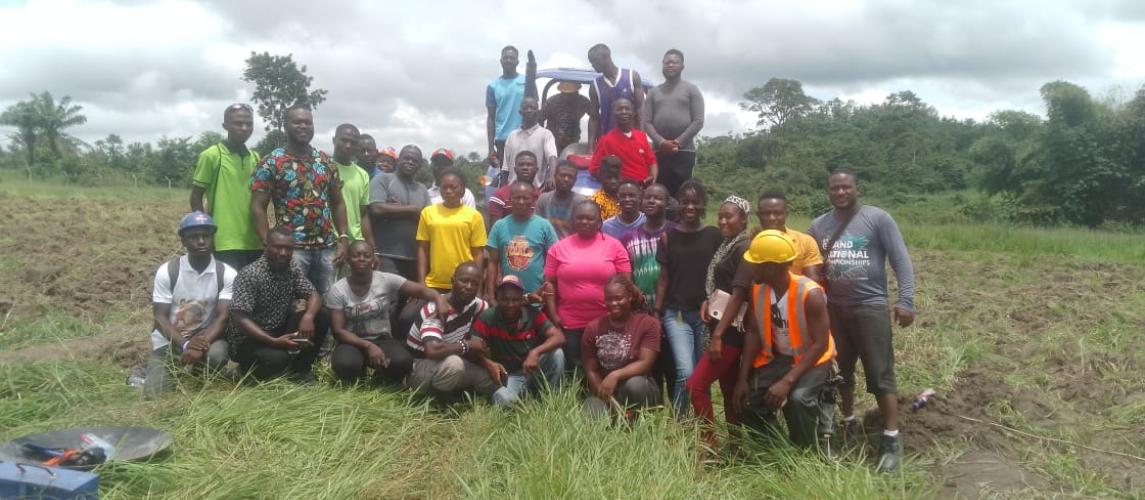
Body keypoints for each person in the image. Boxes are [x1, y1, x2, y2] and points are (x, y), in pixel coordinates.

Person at [807, 169, 915, 472]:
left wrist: (906, 300)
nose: (840, 192)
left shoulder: (877, 218)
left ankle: (891, 438)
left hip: (870, 306)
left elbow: (900, 259)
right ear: (828, 191)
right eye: (834, 188)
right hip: (834, 309)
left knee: (880, 372)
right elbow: (810, 264)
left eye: (846, 187)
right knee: (839, 372)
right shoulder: (819, 225)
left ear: (857, 189)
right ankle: (849, 421)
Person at [732, 230, 836, 450]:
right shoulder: (758, 289)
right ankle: (780, 450)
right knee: (749, 402)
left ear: (770, 267)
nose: (750, 268)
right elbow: (752, 331)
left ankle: (804, 452)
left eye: (755, 263)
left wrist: (787, 382)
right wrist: (742, 379)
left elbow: (820, 344)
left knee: (799, 400)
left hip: (814, 357)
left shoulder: (810, 293)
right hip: (781, 356)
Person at [250, 104, 350, 298]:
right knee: (291, 301)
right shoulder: (271, 163)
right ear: (285, 125)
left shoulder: (326, 162)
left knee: (329, 301)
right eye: (297, 122)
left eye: (308, 123)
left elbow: (338, 202)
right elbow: (258, 206)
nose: (303, 126)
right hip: (292, 249)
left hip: (327, 247)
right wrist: (267, 241)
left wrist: (344, 238)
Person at [144, 212, 237, 397]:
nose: (201, 241)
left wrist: (199, 345)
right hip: (170, 339)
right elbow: (159, 317)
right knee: (154, 395)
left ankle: (199, 373)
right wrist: (186, 345)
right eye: (194, 237)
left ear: (212, 238)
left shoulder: (226, 273)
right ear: (183, 241)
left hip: (206, 339)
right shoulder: (168, 271)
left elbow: (222, 317)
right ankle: (162, 370)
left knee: (217, 355)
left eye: (206, 236)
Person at [327, 241, 447, 384]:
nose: (361, 259)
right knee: (345, 365)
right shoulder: (338, 289)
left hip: (382, 339)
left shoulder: (385, 279)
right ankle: (358, 375)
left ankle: (381, 376)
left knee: (403, 362)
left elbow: (421, 290)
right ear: (347, 260)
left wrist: (439, 299)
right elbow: (338, 331)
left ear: (373, 259)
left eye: (366, 255)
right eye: (356, 255)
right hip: (352, 342)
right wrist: (368, 346)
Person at [685, 196, 752, 442]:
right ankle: (735, 446)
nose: (723, 221)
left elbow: (738, 295)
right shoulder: (729, 244)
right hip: (722, 324)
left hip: (730, 332)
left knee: (696, 386)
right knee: (728, 389)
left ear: (743, 220)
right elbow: (722, 286)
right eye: (720, 216)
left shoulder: (744, 248)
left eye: (729, 216)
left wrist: (718, 336)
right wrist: (708, 300)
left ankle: (708, 443)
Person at [655, 182, 724, 415]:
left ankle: (701, 422)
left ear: (703, 204)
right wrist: (658, 311)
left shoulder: (714, 235)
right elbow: (664, 278)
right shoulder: (668, 236)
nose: (690, 206)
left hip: (706, 316)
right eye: (685, 201)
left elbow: (720, 276)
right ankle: (679, 421)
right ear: (679, 204)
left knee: (700, 376)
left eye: (695, 201)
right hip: (677, 315)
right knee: (685, 370)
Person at [228, 226, 328, 382]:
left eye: (288, 249)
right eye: (277, 247)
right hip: (249, 339)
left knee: (322, 316)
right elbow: (239, 317)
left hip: (277, 328)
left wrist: (308, 317)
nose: (283, 253)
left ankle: (300, 370)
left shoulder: (291, 268)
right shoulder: (250, 274)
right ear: (266, 245)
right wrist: (273, 342)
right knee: (279, 360)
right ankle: (244, 371)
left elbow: (313, 295)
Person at [543, 201, 631, 371]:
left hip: (608, 320)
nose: (584, 222)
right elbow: (549, 284)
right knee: (576, 369)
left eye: (590, 218)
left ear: (599, 222)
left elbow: (626, 284)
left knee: (606, 366)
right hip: (570, 321)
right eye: (580, 218)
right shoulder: (558, 248)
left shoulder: (615, 246)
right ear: (573, 221)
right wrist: (553, 314)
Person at [405, 262, 498, 399]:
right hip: (419, 367)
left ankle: (452, 389)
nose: (469, 287)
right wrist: (467, 345)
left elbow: (501, 311)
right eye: (464, 281)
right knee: (454, 364)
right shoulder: (435, 310)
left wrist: (487, 362)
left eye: (475, 283)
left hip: (448, 361)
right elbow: (432, 351)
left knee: (490, 377)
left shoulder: (477, 305)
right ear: (453, 281)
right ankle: (438, 401)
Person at [472, 275, 566, 408]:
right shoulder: (488, 317)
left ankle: (552, 399)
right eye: (505, 299)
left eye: (515, 300)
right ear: (498, 298)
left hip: (533, 369)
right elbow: (472, 347)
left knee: (557, 354)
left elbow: (559, 337)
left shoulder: (533, 313)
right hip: (510, 376)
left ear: (522, 299)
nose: (510, 304)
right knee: (500, 398)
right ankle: (528, 400)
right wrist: (487, 362)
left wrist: (535, 352)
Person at [190, 103, 262, 270]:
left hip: (254, 240)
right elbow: (196, 196)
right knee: (229, 291)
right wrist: (203, 231)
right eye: (238, 123)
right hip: (223, 241)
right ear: (226, 126)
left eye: (248, 124)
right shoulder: (212, 155)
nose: (244, 128)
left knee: (251, 291)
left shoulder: (256, 157)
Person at [582, 275, 662, 417]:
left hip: (640, 388)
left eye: (619, 298)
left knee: (634, 385)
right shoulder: (593, 328)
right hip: (608, 392)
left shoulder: (648, 324)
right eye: (609, 299)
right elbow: (591, 370)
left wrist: (616, 375)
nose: (613, 303)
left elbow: (645, 362)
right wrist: (603, 392)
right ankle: (616, 416)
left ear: (629, 297)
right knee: (590, 412)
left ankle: (638, 421)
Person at [643, 49, 705, 197]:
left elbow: (698, 121)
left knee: (684, 194)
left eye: (674, 62)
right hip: (658, 152)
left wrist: (678, 143)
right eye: (667, 62)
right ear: (662, 65)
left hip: (684, 152)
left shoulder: (691, 90)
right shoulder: (653, 92)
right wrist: (662, 143)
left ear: (682, 67)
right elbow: (646, 122)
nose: (670, 65)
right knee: (659, 193)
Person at [486, 181, 558, 300]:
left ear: (533, 200)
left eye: (525, 198)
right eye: (517, 198)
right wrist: (491, 295)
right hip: (508, 298)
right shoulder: (499, 226)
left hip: (537, 296)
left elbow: (553, 260)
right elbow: (492, 262)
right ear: (510, 199)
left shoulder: (544, 226)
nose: (521, 202)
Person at [417, 169, 487, 292]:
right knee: (410, 312)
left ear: (462, 190)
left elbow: (478, 254)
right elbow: (423, 249)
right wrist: (421, 282)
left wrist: (478, 288)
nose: (448, 191)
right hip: (433, 283)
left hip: (464, 285)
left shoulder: (474, 216)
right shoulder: (428, 213)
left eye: (453, 187)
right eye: (444, 187)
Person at [369, 145, 430, 280]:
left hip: (414, 257)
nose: (410, 162)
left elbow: (427, 219)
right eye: (406, 158)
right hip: (386, 255)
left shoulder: (422, 189)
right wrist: (412, 210)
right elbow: (377, 208)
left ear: (420, 165)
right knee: (389, 298)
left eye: (414, 160)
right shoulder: (383, 180)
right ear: (398, 160)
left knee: (410, 300)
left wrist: (397, 209)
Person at [587, 43, 645, 148]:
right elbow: (594, 118)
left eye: (595, 61)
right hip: (608, 142)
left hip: (632, 140)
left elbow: (641, 108)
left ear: (606, 57)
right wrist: (590, 147)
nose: (593, 65)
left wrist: (642, 137)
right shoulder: (595, 85)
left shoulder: (632, 77)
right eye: (591, 62)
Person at [589, 98, 657, 186]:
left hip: (644, 188)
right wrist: (614, 180)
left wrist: (653, 179)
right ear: (613, 114)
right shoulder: (606, 140)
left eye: (627, 108)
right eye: (620, 109)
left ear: (633, 113)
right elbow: (594, 169)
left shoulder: (642, 136)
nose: (624, 112)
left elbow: (652, 162)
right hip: (622, 191)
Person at [331, 124, 374, 249]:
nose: (348, 145)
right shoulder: (323, 168)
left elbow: (363, 214)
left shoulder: (363, 175)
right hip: (330, 242)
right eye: (344, 140)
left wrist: (372, 248)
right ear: (334, 140)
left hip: (355, 244)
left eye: (353, 142)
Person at [502, 96, 558, 189]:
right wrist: (503, 188)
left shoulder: (545, 134)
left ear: (538, 112)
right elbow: (505, 167)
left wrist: (552, 176)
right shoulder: (512, 135)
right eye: (525, 108)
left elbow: (552, 156)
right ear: (520, 112)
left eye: (532, 108)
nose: (529, 110)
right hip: (513, 190)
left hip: (535, 190)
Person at [535, 160, 587, 238]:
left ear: (575, 180)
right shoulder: (543, 199)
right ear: (555, 176)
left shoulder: (581, 203)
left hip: (571, 246)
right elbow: (537, 227)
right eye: (562, 175)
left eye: (570, 176)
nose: (566, 179)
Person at [486, 151, 542, 223]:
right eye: (521, 165)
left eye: (529, 165)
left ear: (536, 170)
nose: (525, 167)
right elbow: (494, 231)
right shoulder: (500, 196)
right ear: (515, 169)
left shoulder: (541, 198)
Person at [543, 81, 591, 153]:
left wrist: (591, 142)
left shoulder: (583, 102)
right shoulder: (551, 102)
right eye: (566, 94)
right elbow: (539, 119)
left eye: (573, 94)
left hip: (573, 140)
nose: (569, 97)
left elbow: (595, 118)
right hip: (553, 140)